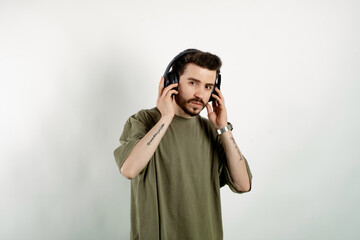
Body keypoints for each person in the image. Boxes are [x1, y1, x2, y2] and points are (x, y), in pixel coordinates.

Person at [114, 49, 252, 240]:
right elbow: (129, 169)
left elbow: (243, 184)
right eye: (193, 83)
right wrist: (166, 118)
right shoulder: (144, 120)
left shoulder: (213, 131)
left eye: (208, 86)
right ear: (172, 82)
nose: (200, 94)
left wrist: (223, 129)